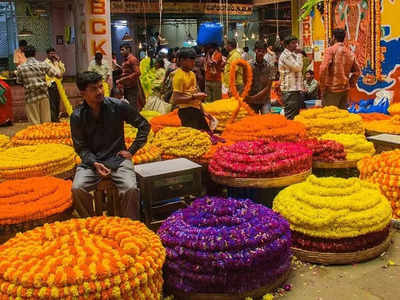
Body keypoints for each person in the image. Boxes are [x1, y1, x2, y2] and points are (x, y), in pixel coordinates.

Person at [70, 71, 150, 219]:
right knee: (77, 189)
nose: (100, 91)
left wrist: (132, 150)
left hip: (118, 159)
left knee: (130, 189)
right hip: (92, 162)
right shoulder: (77, 116)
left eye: (101, 86)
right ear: (83, 93)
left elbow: (144, 125)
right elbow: (81, 147)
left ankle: (131, 227)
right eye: (94, 89)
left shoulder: (118, 106)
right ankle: (91, 223)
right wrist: (94, 163)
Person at [16, 45, 60, 125]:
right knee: (46, 122)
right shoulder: (43, 64)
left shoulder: (20, 68)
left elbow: (19, 82)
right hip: (44, 96)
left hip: (30, 97)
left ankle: (36, 137)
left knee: (34, 124)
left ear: (25, 55)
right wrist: (56, 62)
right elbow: (58, 75)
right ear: (35, 54)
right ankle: (46, 136)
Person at [319, 28, 361, 109]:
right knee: (342, 117)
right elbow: (357, 71)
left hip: (331, 90)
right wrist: (351, 83)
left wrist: (322, 87)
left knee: (330, 117)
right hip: (345, 89)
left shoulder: (330, 50)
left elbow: (323, 69)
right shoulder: (350, 52)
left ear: (334, 38)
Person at [172, 48, 209, 131]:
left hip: (196, 109)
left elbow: (195, 91)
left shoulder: (192, 74)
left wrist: (203, 111)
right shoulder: (179, 77)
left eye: (194, 60)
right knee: (195, 137)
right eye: (191, 60)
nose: (193, 62)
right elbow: (176, 99)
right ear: (182, 60)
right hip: (186, 112)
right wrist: (193, 97)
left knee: (207, 134)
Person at [278, 36, 304, 119]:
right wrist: (300, 54)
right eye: (293, 43)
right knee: (290, 116)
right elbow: (298, 67)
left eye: (296, 43)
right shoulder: (285, 55)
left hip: (295, 89)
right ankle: (289, 131)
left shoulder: (293, 54)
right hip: (289, 90)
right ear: (286, 45)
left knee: (295, 115)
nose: (296, 45)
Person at [246, 40, 274, 114]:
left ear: (265, 52)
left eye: (263, 51)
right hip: (250, 100)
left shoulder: (270, 66)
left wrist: (254, 98)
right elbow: (245, 83)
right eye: (259, 51)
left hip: (264, 100)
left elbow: (268, 87)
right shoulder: (248, 65)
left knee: (267, 121)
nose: (261, 53)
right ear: (255, 50)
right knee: (252, 123)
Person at [116, 43, 141, 109]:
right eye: (120, 50)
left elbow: (138, 73)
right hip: (127, 86)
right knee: (128, 105)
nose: (121, 52)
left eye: (122, 50)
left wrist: (123, 80)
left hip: (132, 86)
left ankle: (135, 118)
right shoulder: (126, 59)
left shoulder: (132, 59)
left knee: (132, 106)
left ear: (128, 49)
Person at [44, 48, 66, 122]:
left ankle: (56, 118)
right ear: (47, 54)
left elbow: (63, 71)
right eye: (51, 53)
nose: (53, 55)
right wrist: (49, 84)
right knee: (52, 103)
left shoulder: (56, 62)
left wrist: (59, 61)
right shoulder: (45, 63)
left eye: (54, 53)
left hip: (59, 84)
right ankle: (54, 119)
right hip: (51, 85)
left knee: (57, 102)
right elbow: (45, 76)